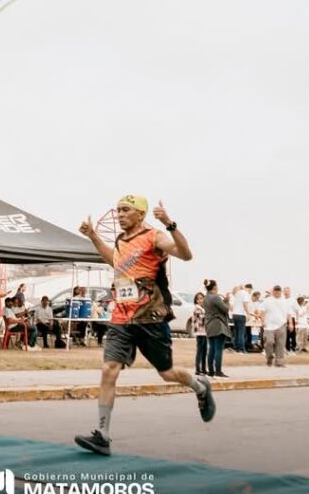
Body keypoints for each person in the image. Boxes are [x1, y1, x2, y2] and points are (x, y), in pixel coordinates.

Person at [75, 195, 213, 457]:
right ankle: (102, 435)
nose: (119, 214)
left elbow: (186, 255)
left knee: (167, 373)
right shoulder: (120, 240)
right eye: (118, 210)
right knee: (109, 369)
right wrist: (93, 236)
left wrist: (170, 223)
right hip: (121, 317)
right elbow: (115, 262)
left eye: (125, 210)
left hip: (150, 317)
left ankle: (200, 387)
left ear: (140, 214)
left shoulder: (154, 236)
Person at [202, 279, 230, 378]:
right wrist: (227, 301)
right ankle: (218, 371)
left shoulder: (205, 298)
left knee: (212, 349)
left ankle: (211, 371)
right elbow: (226, 309)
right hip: (218, 325)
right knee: (218, 349)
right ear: (214, 287)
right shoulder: (216, 297)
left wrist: (223, 301)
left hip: (209, 325)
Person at [262, 285, 291, 368]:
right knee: (269, 342)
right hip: (269, 326)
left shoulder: (285, 301)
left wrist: (290, 323)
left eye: (278, 290)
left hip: (281, 325)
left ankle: (279, 362)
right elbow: (262, 311)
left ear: (281, 291)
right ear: (273, 291)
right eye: (275, 290)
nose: (277, 292)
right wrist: (263, 321)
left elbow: (289, 313)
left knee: (280, 344)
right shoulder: (267, 300)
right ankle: (269, 357)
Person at [230, 284, 251, 354]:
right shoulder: (246, 293)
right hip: (241, 314)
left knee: (236, 332)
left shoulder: (237, 293)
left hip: (234, 314)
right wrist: (248, 313)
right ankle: (242, 349)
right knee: (241, 332)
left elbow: (233, 294)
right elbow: (245, 304)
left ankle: (236, 348)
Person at [192, 292, 207, 375]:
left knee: (204, 351)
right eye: (198, 299)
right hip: (200, 332)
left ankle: (203, 369)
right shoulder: (197, 309)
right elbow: (203, 320)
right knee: (200, 351)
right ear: (196, 300)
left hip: (204, 332)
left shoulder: (202, 308)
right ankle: (198, 369)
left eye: (201, 298)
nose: (200, 300)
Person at [283, 287, 298, 354]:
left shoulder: (293, 300)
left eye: (287, 291)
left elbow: (297, 310)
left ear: (290, 292)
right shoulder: (282, 300)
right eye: (285, 291)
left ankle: (293, 348)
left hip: (292, 318)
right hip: (283, 318)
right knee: (285, 334)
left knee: (292, 334)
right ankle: (287, 348)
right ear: (283, 292)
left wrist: (297, 319)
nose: (286, 292)